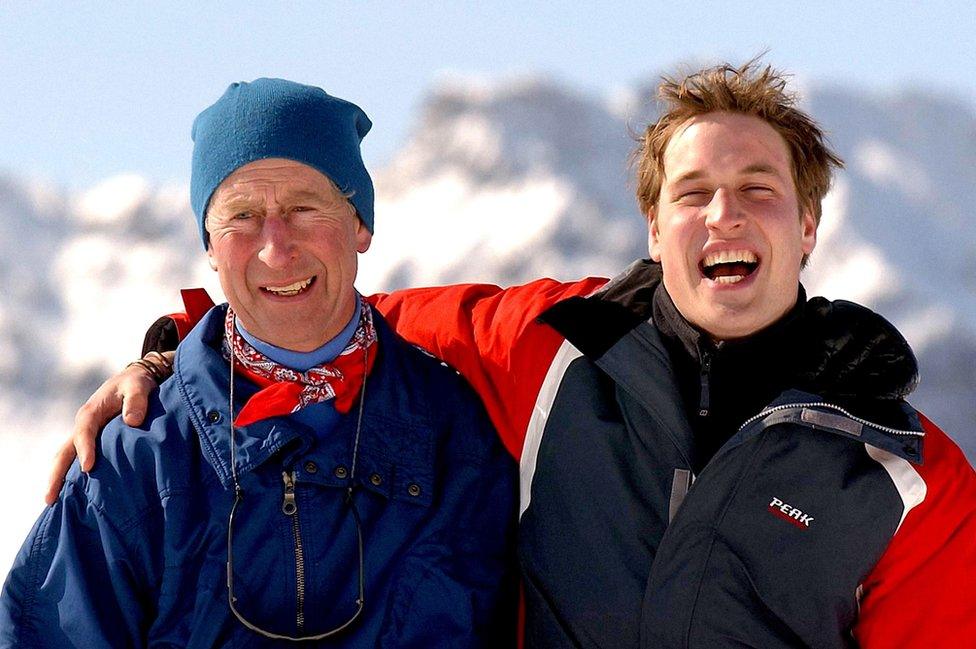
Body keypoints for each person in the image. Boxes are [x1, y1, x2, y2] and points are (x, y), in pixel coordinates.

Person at [45, 62, 976, 647]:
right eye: (692, 192)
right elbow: (322, 313)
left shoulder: (911, 478)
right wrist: (175, 356)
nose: (723, 215)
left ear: (808, 225)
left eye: (757, 189)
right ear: (653, 228)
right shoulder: (546, 349)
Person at [0, 78, 517, 647]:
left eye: (303, 208)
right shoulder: (133, 461)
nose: (276, 246)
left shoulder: (462, 436)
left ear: (360, 226)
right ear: (210, 246)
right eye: (241, 217)